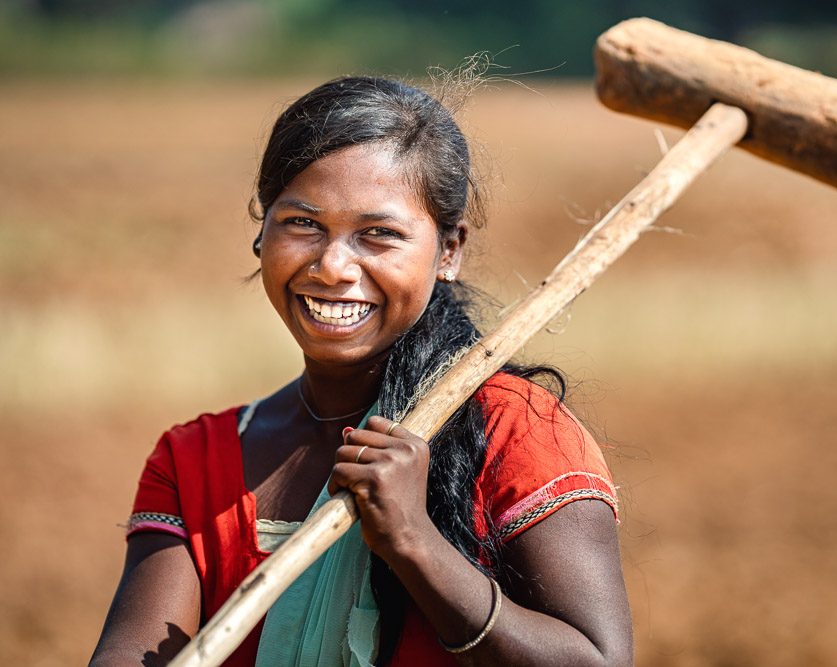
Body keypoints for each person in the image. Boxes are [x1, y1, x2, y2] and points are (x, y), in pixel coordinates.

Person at [90, 76, 632, 667]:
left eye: (379, 235)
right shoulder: (194, 462)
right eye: (303, 224)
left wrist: (413, 541)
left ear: (448, 250)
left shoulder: (514, 432)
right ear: (261, 230)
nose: (332, 268)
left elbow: (598, 661)